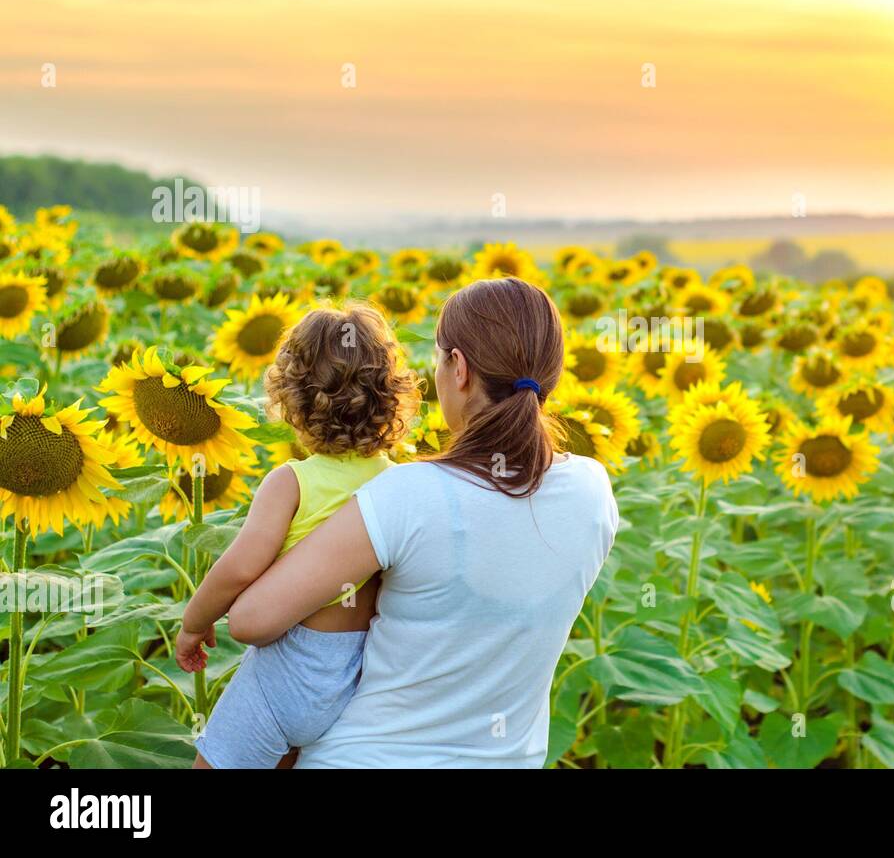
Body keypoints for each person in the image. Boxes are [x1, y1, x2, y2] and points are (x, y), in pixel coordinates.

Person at [227, 277, 619, 767]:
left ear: (459, 368)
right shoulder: (593, 490)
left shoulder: (407, 495)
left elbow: (251, 620)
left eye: (438, 359)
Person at [176, 302, 420, 768]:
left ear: (292, 401)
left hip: (285, 675)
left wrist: (194, 622)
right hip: (354, 680)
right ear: (390, 397)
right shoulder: (396, 484)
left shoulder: (291, 482)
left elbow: (241, 567)